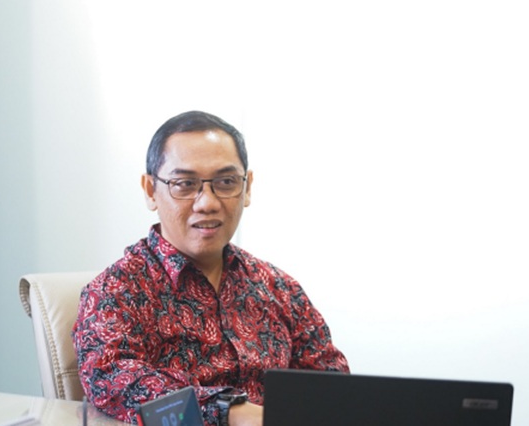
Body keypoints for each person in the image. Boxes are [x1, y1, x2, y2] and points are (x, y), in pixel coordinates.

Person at [73, 111, 349, 426]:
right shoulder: (117, 291)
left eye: (226, 182)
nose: (207, 203)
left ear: (247, 188)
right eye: (184, 184)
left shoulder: (279, 288)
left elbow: (333, 386)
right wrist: (232, 412)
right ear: (150, 191)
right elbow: (114, 381)